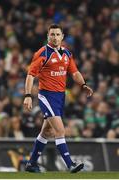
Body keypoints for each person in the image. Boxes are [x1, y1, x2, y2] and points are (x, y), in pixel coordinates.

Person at [23, 24, 93, 173]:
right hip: (46, 95)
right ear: (48, 36)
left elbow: (74, 73)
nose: (54, 37)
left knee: (46, 132)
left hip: (60, 97)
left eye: (57, 34)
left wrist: (83, 84)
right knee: (60, 130)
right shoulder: (42, 53)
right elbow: (30, 75)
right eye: (52, 34)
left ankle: (31, 164)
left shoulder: (67, 54)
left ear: (62, 37)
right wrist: (28, 95)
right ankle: (70, 164)